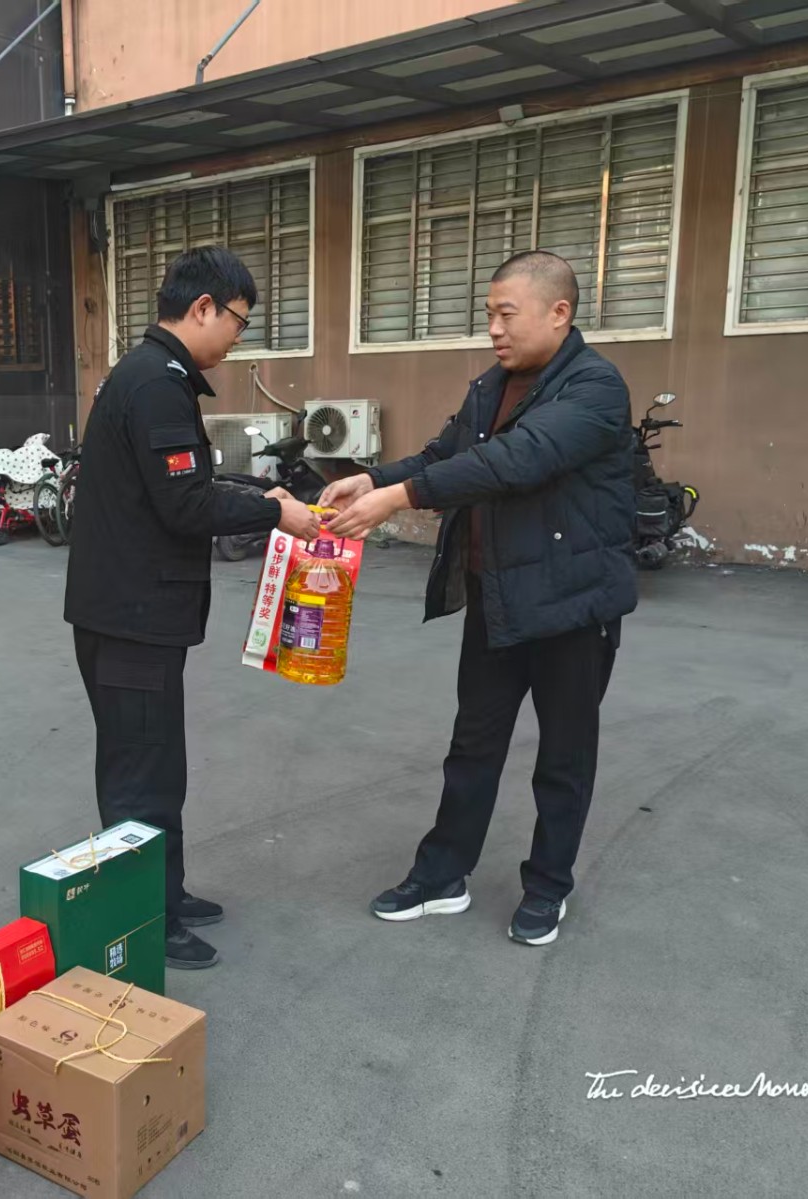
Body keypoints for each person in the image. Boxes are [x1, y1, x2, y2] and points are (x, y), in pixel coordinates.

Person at [320, 250, 635, 947]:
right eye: (489, 314)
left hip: (572, 605)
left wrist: (397, 500)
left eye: (506, 314)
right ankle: (442, 875)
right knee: (472, 745)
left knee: (564, 756)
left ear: (559, 312)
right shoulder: (490, 386)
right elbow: (444, 456)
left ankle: (547, 887)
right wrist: (372, 477)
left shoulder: (595, 387)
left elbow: (518, 461)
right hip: (497, 599)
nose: (493, 328)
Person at [65, 246, 321, 970]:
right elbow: (184, 505)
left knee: (157, 766)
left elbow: (182, 483)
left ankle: (166, 894)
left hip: (134, 615)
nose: (238, 337)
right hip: (130, 620)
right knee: (140, 777)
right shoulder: (156, 384)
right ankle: (143, 920)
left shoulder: (156, 375)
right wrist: (275, 514)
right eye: (238, 320)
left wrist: (262, 494)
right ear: (203, 307)